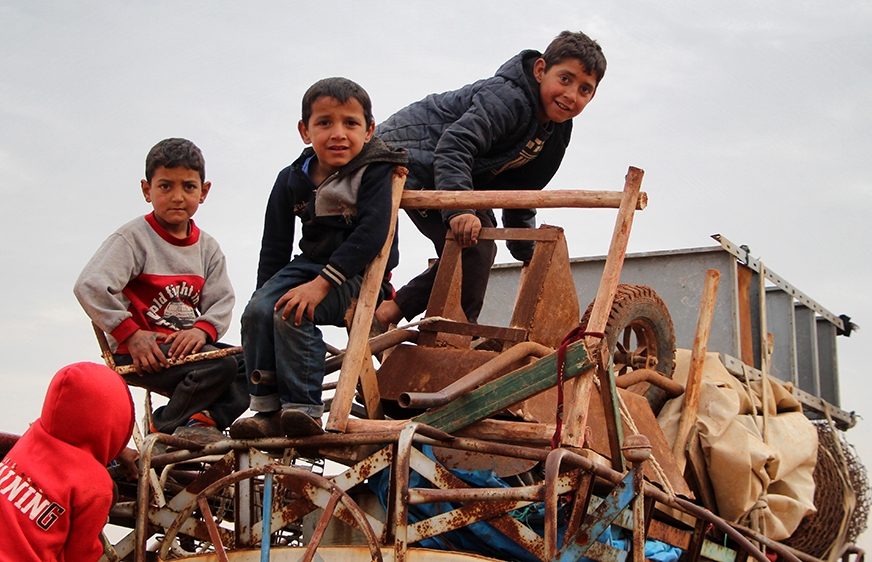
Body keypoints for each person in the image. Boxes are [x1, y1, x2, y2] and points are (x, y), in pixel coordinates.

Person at [373, 31, 606, 326]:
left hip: (456, 173)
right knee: (474, 243)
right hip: (407, 157)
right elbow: (455, 145)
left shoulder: (555, 134)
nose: (571, 95)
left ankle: (390, 314)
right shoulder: (509, 98)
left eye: (584, 89)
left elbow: (521, 191)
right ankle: (453, 337)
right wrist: (458, 210)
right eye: (565, 79)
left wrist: (527, 253)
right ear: (540, 70)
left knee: (476, 247)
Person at [230, 77, 407, 439]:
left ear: (369, 130)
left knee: (293, 311)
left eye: (350, 123)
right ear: (304, 131)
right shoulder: (291, 179)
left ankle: (303, 409)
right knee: (260, 310)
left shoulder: (375, 171)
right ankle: (264, 405)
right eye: (324, 123)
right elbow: (274, 248)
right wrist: (262, 299)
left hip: (359, 274)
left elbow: (372, 234)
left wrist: (321, 284)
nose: (338, 133)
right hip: (307, 267)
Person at [74, 138, 247, 434]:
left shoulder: (207, 248)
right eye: (166, 186)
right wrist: (131, 335)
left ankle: (204, 420)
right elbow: (90, 286)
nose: (177, 197)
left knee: (253, 362)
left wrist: (201, 330)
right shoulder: (134, 239)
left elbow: (222, 301)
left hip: (185, 349)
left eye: (188, 187)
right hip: (142, 351)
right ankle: (164, 425)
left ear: (203, 192)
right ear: (147, 190)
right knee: (219, 367)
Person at [0, 362, 136, 562]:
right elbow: (79, 556)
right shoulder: (96, 486)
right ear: (117, 423)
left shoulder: (32, 438)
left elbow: (75, 424)